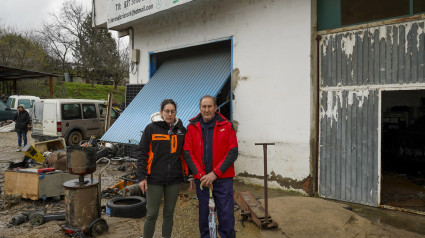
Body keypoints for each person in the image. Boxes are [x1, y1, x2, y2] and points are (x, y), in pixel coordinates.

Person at [137, 99, 195, 238]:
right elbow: (142, 153)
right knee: (151, 214)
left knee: (169, 214)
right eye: (167, 111)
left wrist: (190, 175)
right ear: (161, 112)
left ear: (176, 113)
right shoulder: (151, 128)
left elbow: (187, 155)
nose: (170, 114)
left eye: (172, 111)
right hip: (154, 179)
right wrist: (141, 177)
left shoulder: (181, 130)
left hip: (174, 179)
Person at [183, 95, 238, 238]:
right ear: (200, 108)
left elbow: (232, 152)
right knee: (204, 217)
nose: (206, 110)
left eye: (209, 106)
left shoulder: (226, 125)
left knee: (226, 217)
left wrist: (215, 173)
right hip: (202, 181)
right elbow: (188, 154)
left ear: (215, 107)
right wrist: (201, 176)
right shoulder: (191, 127)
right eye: (204, 107)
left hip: (223, 180)